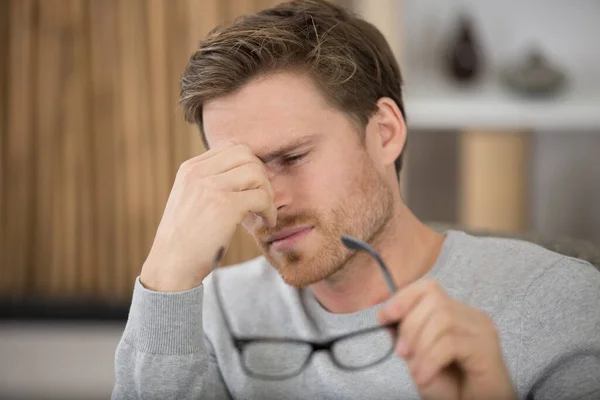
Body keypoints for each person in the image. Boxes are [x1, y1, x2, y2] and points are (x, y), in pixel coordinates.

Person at [112, 1, 600, 399]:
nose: (266, 202)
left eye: (292, 157)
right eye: (241, 173)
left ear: (385, 133)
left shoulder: (555, 302)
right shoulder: (210, 313)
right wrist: (166, 277)